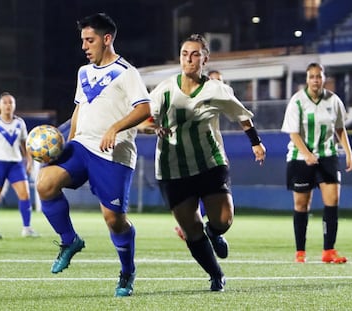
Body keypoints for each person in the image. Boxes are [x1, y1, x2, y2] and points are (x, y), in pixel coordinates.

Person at [138, 34, 266, 292]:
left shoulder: (216, 89)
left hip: (210, 163)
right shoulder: (164, 89)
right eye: (185, 53)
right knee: (191, 229)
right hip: (172, 168)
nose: (189, 58)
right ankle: (216, 275)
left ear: (205, 59)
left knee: (224, 220)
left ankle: (215, 232)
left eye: (196, 54)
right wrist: (153, 129)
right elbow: (144, 121)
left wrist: (256, 142)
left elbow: (242, 115)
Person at [35, 13, 151, 297]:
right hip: (82, 146)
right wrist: (68, 142)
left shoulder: (127, 72)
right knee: (45, 183)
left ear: (107, 39)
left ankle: (127, 272)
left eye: (90, 40)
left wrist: (115, 127)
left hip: (114, 154)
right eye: (83, 40)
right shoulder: (83, 72)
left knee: (114, 220)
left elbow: (144, 109)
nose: (85, 46)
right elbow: (79, 108)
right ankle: (69, 240)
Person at [281, 62, 352, 264]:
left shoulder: (333, 100)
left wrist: (348, 151)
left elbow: (339, 128)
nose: (315, 80)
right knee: (302, 204)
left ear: (324, 78)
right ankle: (300, 252)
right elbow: (293, 133)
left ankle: (328, 250)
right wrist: (306, 153)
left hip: (327, 155)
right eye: (312, 76)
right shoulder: (297, 101)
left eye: (318, 76)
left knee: (333, 201)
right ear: (307, 79)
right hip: (300, 158)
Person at [174, 69, 226, 240]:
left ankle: (209, 229)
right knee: (201, 194)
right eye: (214, 81)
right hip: (195, 155)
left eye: (220, 81)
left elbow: (216, 131)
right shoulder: (195, 101)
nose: (217, 85)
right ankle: (194, 226)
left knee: (217, 197)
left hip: (214, 155)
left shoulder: (217, 104)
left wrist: (222, 153)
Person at [0, 92, 39, 239]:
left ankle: (27, 228)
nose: (8, 105)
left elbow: (24, 144)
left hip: (16, 164)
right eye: (5, 102)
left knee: (25, 194)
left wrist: (29, 161)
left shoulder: (20, 123)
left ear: (14, 105)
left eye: (11, 102)